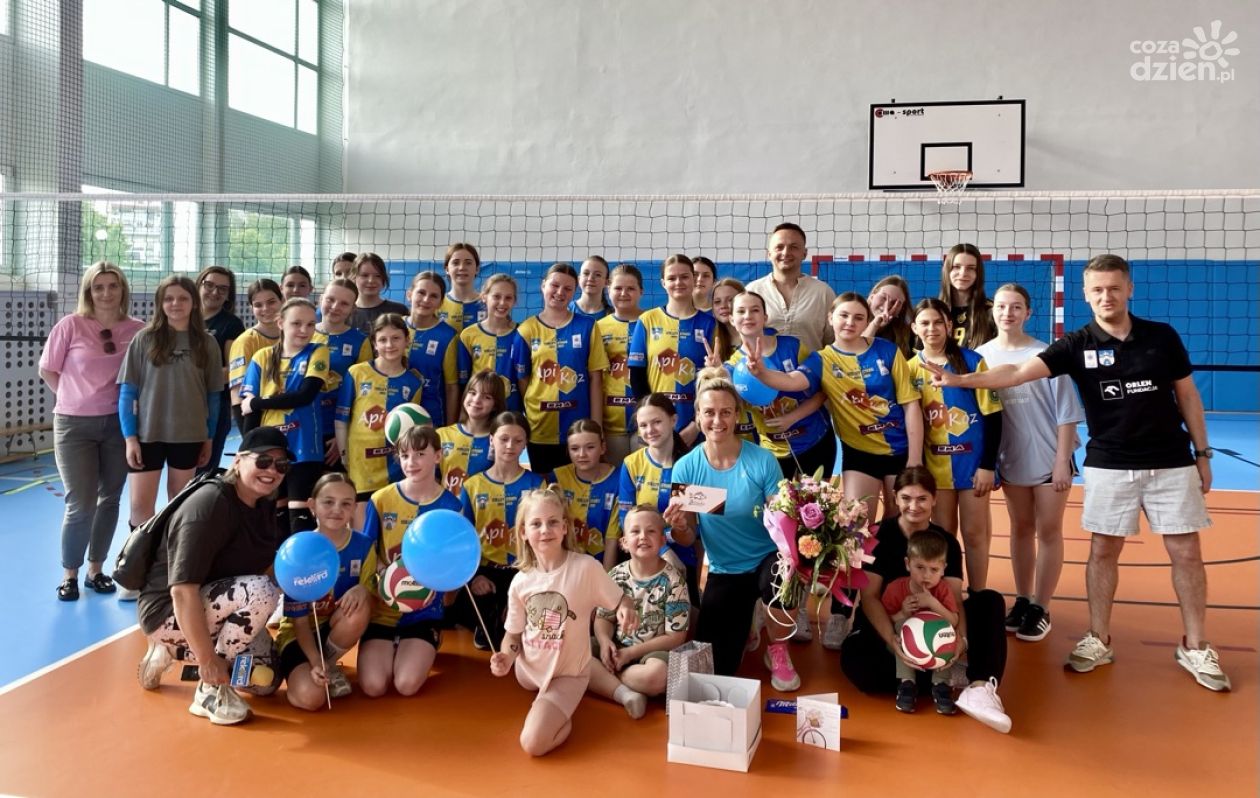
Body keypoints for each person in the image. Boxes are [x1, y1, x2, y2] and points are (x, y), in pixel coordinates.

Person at [923, 254, 1230, 691]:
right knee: (1102, 552)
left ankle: (1195, 645)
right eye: (1098, 290)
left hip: (1171, 461)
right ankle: (1098, 638)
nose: (1107, 296)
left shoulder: (1161, 337)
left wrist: (1203, 453)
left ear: (1129, 289)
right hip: (1110, 462)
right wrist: (958, 381)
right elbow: (1016, 373)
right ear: (1085, 295)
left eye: (1114, 288)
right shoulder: (1076, 344)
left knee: (1186, 552)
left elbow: (1188, 395)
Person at [751, 292, 923, 648]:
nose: (850, 323)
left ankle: (895, 601)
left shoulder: (887, 352)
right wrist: (761, 372)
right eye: (843, 316)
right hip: (861, 455)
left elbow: (910, 406)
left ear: (867, 321)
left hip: (900, 452)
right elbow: (794, 382)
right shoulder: (822, 359)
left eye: (858, 317)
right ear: (831, 319)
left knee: (899, 529)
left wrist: (915, 460)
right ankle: (843, 614)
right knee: (855, 533)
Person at [134, 427, 289, 726]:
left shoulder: (264, 502)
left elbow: (267, 566)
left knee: (267, 681)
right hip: (168, 610)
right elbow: (182, 591)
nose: (272, 471)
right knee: (261, 592)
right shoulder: (209, 505)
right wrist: (208, 660)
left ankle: (175, 651)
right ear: (238, 461)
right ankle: (209, 687)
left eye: (281, 465)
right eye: (263, 461)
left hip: (217, 607)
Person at [840, 467, 1011, 732]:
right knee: (859, 667)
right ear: (895, 498)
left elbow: (954, 599)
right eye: (906, 498)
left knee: (989, 601)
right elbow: (870, 598)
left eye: (922, 498)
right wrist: (893, 641)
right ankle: (933, 675)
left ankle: (978, 687)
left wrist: (961, 642)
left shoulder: (946, 542)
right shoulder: (877, 536)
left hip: (937, 625)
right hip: (891, 625)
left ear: (934, 500)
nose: (914, 506)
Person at [665, 371, 799, 690]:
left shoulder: (762, 460)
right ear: (698, 416)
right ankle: (748, 620)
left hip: (767, 557)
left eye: (725, 412)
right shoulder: (686, 467)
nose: (717, 420)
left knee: (781, 578)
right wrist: (680, 526)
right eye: (709, 412)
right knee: (716, 668)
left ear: (737, 415)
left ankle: (778, 649)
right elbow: (688, 536)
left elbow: (783, 521)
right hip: (725, 568)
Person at [490, 486, 639, 756]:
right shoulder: (520, 581)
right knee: (573, 664)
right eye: (536, 524)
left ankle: (567, 713)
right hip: (528, 673)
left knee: (533, 744)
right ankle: (564, 702)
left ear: (564, 528)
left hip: (566, 675)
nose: (545, 530)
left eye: (552, 522)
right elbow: (513, 635)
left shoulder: (585, 568)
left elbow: (621, 600)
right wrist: (505, 658)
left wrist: (626, 609)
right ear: (523, 532)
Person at [977, 283, 1084, 642]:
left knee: (1049, 530)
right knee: (1020, 529)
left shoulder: (1047, 354)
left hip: (1049, 456)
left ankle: (1042, 606)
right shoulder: (981, 356)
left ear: (1028, 313)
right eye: (1002, 306)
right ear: (992, 311)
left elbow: (1067, 413)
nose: (1008, 313)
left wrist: (1062, 460)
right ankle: (1023, 599)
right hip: (1011, 456)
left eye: (1016, 307)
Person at [40, 262, 145, 601]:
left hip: (118, 425)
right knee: (80, 503)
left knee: (109, 499)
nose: (106, 293)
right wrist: (74, 397)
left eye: (113, 286)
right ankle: (69, 574)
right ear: (89, 291)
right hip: (74, 425)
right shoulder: (70, 325)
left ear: (122, 289)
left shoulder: (138, 330)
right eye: (98, 287)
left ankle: (95, 570)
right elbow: (48, 370)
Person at [119, 276, 223, 556]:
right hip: (147, 434)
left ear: (194, 303)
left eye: (183, 298)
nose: (175, 304)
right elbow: (128, 393)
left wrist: (209, 437)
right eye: (169, 298)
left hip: (189, 434)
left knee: (179, 503)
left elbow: (214, 397)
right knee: (140, 506)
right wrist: (130, 438)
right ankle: (136, 564)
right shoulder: (144, 339)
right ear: (160, 303)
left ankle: (171, 564)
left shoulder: (207, 343)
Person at [358, 425, 462, 697]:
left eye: (419, 454)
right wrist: (384, 575)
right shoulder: (381, 499)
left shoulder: (451, 507)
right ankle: (390, 644)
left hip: (424, 610)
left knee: (406, 685)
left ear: (437, 456)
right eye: (404, 455)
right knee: (373, 687)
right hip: (384, 607)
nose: (411, 462)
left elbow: (454, 562)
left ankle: (430, 638)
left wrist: (438, 586)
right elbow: (367, 551)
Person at [909, 298, 1003, 590]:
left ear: (950, 325)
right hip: (935, 469)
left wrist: (988, 465)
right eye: (925, 323)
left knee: (974, 534)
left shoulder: (972, 362)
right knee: (943, 536)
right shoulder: (910, 369)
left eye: (938, 322)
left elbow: (994, 417)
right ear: (914, 328)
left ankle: (978, 595)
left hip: (973, 466)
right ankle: (946, 595)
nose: (932, 328)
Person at [275, 473, 373, 710]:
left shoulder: (363, 545)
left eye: (346, 503)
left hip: (333, 628)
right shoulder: (298, 550)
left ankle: (329, 666)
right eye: (328, 502)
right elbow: (299, 624)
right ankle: (309, 668)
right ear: (312, 506)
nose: (337, 510)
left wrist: (363, 590)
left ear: (354, 509)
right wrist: (314, 660)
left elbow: (371, 595)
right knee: (311, 699)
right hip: (298, 636)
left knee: (359, 607)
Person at [589, 505, 689, 716]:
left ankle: (608, 680)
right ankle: (628, 690)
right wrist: (605, 642)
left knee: (657, 676)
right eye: (635, 531)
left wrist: (630, 654)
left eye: (651, 531)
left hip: (651, 653)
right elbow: (603, 618)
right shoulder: (615, 575)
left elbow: (676, 637)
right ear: (624, 542)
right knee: (573, 651)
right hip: (616, 646)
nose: (643, 536)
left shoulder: (674, 581)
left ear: (662, 540)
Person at [722, 290, 833, 479]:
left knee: (817, 498)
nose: (748, 316)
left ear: (765, 317)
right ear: (731, 319)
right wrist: (713, 374)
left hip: (816, 439)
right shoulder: (732, 367)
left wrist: (793, 417)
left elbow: (823, 392)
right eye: (741, 311)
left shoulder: (793, 347)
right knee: (778, 499)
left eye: (755, 310)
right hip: (772, 451)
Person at [459, 411, 546, 650]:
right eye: (504, 439)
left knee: (524, 634)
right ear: (491, 439)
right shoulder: (472, 486)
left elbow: (544, 539)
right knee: (489, 639)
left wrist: (531, 580)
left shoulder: (536, 484)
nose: (510, 446)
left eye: (518, 441)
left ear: (525, 444)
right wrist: (474, 576)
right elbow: (463, 540)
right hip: (486, 571)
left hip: (524, 569)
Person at [241, 297, 329, 533]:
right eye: (296, 323)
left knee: (300, 516)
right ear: (280, 323)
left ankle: (301, 559)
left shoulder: (318, 351)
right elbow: (249, 414)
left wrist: (258, 403)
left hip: (305, 448)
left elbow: (305, 396)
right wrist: (247, 452)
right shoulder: (261, 357)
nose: (304, 330)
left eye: (310, 324)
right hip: (270, 451)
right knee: (273, 516)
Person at [511, 262, 607, 474]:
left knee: (578, 485)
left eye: (568, 288)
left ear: (574, 292)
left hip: (578, 427)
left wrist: (596, 427)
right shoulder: (526, 330)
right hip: (540, 428)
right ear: (543, 285)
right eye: (555, 285)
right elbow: (523, 380)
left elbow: (595, 380)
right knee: (545, 488)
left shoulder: (587, 326)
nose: (560, 292)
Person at [335, 314, 425, 515]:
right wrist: (344, 456)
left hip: (396, 465)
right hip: (361, 464)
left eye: (396, 338)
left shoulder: (413, 382)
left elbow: (412, 430)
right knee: (362, 525)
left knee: (393, 524)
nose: (389, 345)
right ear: (374, 344)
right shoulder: (356, 373)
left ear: (407, 340)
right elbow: (341, 420)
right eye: (383, 340)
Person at [629, 254, 716, 445]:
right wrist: (651, 420)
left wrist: (695, 424)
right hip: (656, 428)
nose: (678, 282)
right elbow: (637, 376)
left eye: (684, 277)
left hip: (698, 426)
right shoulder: (647, 320)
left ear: (694, 279)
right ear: (663, 283)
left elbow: (715, 381)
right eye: (672, 278)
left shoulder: (710, 323)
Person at [617, 394, 696, 603]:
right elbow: (625, 519)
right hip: (643, 555)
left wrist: (673, 539)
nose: (650, 430)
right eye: (643, 425)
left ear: (673, 420)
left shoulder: (689, 465)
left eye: (657, 422)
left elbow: (693, 531)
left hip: (684, 557)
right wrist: (664, 550)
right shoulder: (631, 464)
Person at [884, 530, 961, 714]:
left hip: (935, 651)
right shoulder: (895, 588)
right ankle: (907, 684)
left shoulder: (943, 590)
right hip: (903, 651)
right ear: (907, 564)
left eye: (934, 570)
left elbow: (954, 621)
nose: (926, 575)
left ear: (943, 569)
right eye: (920, 567)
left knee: (947, 633)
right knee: (901, 627)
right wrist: (903, 612)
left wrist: (933, 604)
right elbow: (887, 623)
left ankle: (941, 685)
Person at [745, 223, 836, 352]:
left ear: (804, 253)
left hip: (811, 365)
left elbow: (833, 343)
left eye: (794, 247)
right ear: (769, 254)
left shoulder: (823, 292)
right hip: (761, 365)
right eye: (779, 247)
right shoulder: (752, 291)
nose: (786, 252)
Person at [312, 277, 373, 470]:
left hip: (337, 427)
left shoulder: (360, 341)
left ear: (352, 309)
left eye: (344, 303)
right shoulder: (303, 333)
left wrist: (343, 436)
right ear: (320, 299)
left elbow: (364, 395)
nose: (335, 307)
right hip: (303, 425)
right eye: (330, 299)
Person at [550, 419, 620, 569]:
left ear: (602, 448)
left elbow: (612, 538)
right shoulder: (558, 478)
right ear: (568, 451)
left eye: (590, 447)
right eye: (575, 448)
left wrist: (605, 579)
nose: (582, 454)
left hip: (602, 564)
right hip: (566, 565)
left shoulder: (618, 479)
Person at [195, 266, 244, 476]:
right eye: (209, 285)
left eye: (222, 289)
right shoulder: (183, 317)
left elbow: (233, 370)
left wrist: (193, 381)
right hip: (180, 404)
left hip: (214, 404)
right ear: (199, 284)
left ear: (228, 295)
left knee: (204, 469)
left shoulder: (231, 324)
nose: (215, 292)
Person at [596, 264, 644, 463]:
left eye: (631, 288)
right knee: (615, 479)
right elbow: (595, 378)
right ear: (608, 289)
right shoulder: (598, 327)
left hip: (646, 421)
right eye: (618, 288)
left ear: (641, 291)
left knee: (647, 478)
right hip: (611, 423)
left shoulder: (652, 321)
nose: (624, 293)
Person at [457, 273, 521, 411]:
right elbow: (463, 383)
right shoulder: (468, 335)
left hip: (511, 410)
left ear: (514, 301)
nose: (502, 303)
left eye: (508, 298)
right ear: (484, 297)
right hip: (478, 410)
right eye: (496, 296)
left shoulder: (522, 333)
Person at [437, 369, 505, 495]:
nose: (476, 400)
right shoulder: (442, 435)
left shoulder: (499, 440)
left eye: (487, 397)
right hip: (448, 506)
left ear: (495, 405)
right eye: (472, 393)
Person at [405, 270, 460, 426]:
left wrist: (449, 429)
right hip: (395, 413)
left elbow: (451, 387)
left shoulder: (447, 336)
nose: (426, 300)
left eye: (434, 296)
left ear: (441, 303)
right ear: (409, 294)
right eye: (421, 293)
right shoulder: (395, 327)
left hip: (431, 417)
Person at [228, 279, 282, 435]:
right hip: (259, 418)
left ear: (282, 300)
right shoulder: (245, 342)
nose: (266, 309)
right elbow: (237, 393)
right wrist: (248, 436)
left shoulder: (292, 336)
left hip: (289, 414)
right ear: (251, 308)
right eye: (258, 305)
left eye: (271, 302)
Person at [939, 243, 995, 349]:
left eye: (970, 268)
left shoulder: (992, 311)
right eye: (956, 267)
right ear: (947, 270)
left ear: (978, 273)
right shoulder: (934, 311)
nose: (963, 273)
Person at [349, 252, 409, 335]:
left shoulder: (399, 310)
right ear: (354, 277)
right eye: (365, 275)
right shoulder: (346, 312)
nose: (371, 280)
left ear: (384, 279)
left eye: (377, 276)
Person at [864, 275, 916, 359]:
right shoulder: (854, 322)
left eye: (895, 302)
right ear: (871, 297)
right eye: (883, 297)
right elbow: (855, 356)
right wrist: (875, 325)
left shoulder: (908, 335)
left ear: (902, 309)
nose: (887, 306)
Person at [437, 242, 484, 332]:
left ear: (477, 269)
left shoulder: (487, 303)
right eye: (456, 263)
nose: (462, 267)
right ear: (447, 269)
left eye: (468, 263)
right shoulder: (437, 304)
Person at [571, 255, 612, 319]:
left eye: (598, 275)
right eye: (586, 273)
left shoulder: (613, 315)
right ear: (579, 279)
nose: (590, 278)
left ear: (606, 282)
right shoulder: (566, 310)